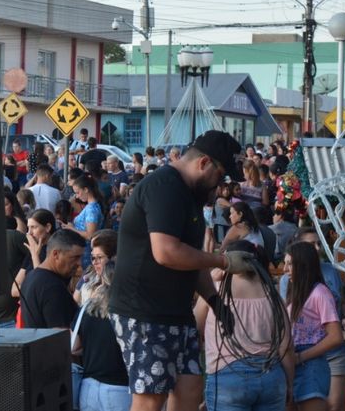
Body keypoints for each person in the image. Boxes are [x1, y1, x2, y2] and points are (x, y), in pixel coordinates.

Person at [108, 130, 256, 410]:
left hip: (175, 312)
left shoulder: (189, 195)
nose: (221, 184)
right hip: (145, 311)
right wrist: (223, 262)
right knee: (151, 399)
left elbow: (192, 258)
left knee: (190, 387)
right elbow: (167, 252)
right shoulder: (165, 186)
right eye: (221, 175)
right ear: (204, 163)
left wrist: (215, 302)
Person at [194, 240, 293, 411]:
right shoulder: (272, 294)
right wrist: (289, 384)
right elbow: (286, 346)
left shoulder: (215, 291)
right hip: (271, 375)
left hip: (227, 376)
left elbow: (194, 327)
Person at [283, 242, 344, 411]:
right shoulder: (296, 292)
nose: (285, 269)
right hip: (293, 361)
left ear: (303, 265)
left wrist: (301, 357)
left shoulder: (320, 293)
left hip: (311, 365)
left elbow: (336, 337)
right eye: (285, 263)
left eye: (290, 264)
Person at [74, 261, 131, 411]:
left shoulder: (86, 308)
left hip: (88, 388)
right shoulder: (130, 311)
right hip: (119, 388)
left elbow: (74, 346)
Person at [20, 229, 84, 329]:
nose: (79, 263)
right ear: (55, 254)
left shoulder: (31, 276)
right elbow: (62, 332)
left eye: (80, 258)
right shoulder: (53, 287)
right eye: (75, 257)